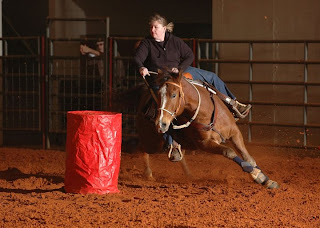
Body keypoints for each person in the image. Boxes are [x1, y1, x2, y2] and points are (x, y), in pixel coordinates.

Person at [133, 14, 251, 160]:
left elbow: (189, 55)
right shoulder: (146, 43)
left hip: (178, 74)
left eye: (155, 27)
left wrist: (179, 68)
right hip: (160, 79)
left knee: (212, 77)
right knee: (165, 106)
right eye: (151, 27)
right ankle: (173, 145)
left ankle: (233, 104)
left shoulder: (175, 41)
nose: (152, 30)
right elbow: (138, 58)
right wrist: (141, 67)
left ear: (164, 28)